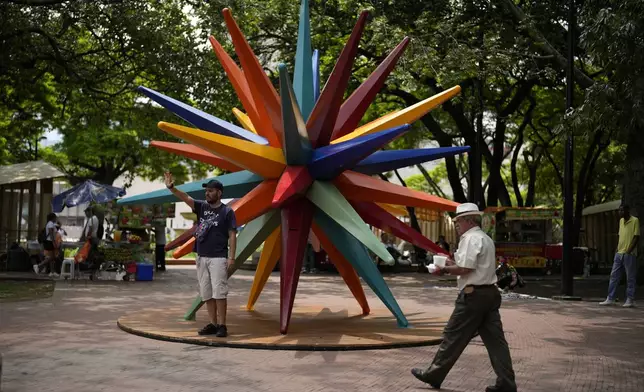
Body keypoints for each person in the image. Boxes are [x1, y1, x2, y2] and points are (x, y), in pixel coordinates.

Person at [412, 203, 517, 392]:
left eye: (458, 220)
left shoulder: (469, 239)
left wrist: (443, 269)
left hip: (473, 296)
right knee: (496, 342)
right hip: (490, 294)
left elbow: (465, 269)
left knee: (453, 335)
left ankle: (434, 374)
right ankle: (507, 383)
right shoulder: (485, 239)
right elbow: (469, 265)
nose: (456, 224)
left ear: (468, 220)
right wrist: (451, 263)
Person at [164, 172, 237, 337]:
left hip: (218, 257)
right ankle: (212, 323)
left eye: (211, 191)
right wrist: (172, 188)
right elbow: (186, 198)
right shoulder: (202, 207)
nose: (207, 193)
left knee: (219, 292)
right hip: (201, 256)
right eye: (206, 191)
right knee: (206, 292)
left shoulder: (227, 212)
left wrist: (231, 257)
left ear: (219, 193)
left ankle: (222, 325)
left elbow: (232, 234)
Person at [600, 204, 640, 308]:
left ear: (628, 210)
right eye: (619, 210)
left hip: (629, 254)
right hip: (619, 253)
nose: (620, 212)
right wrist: (617, 249)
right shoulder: (621, 221)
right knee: (614, 276)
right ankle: (610, 298)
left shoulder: (635, 220)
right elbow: (620, 237)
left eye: (622, 210)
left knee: (630, 277)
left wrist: (629, 250)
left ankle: (630, 299)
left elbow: (636, 237)